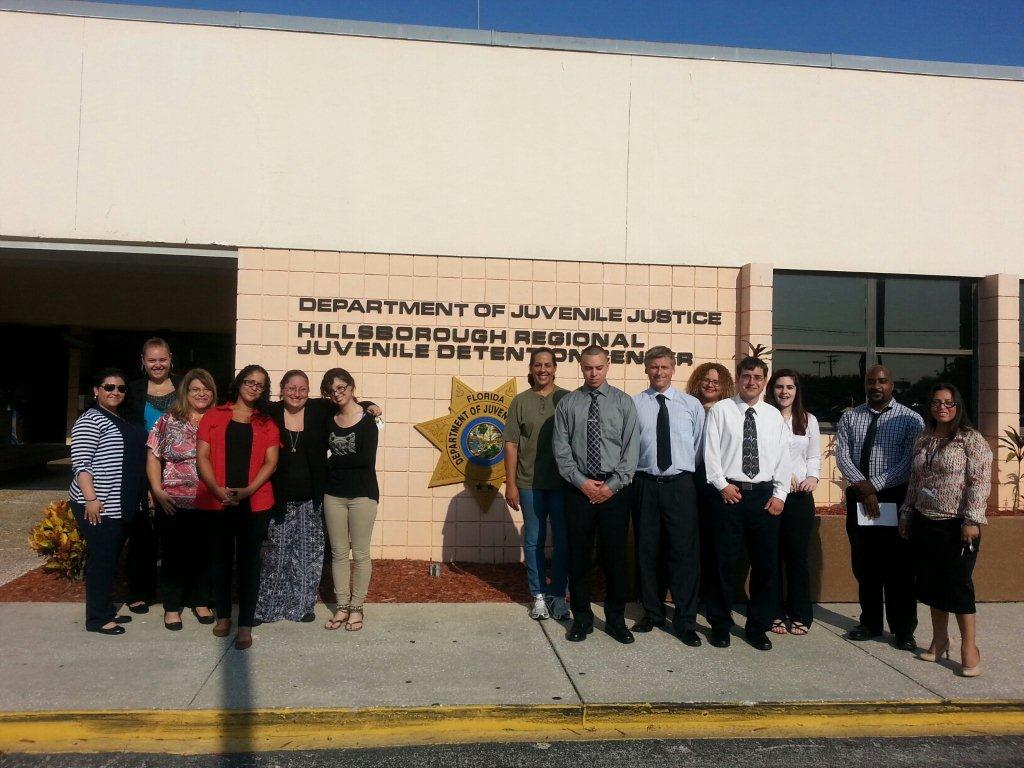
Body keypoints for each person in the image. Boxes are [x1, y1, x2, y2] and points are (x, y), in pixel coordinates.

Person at [255, 371, 380, 625]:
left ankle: (316, 607)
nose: (297, 394)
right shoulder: (273, 412)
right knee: (278, 556)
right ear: (282, 389)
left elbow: (351, 407)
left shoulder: (319, 410)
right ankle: (271, 607)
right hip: (295, 495)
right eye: (291, 388)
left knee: (311, 556)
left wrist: (370, 405)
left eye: (302, 389)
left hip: (327, 495)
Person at [898, 383, 991, 677]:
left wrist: (972, 520)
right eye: (937, 403)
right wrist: (907, 513)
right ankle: (940, 640)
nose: (942, 408)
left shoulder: (970, 440)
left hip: (958, 525)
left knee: (958, 585)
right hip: (926, 522)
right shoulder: (924, 438)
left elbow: (980, 481)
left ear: (958, 406)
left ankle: (969, 647)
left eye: (949, 403)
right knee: (931, 585)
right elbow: (914, 481)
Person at [552, 345, 639, 644]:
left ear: (608, 365)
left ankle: (616, 620)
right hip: (578, 491)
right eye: (588, 367)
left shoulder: (624, 403)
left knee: (615, 557)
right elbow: (561, 452)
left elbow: (631, 452)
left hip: (615, 492)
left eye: (598, 367)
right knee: (579, 558)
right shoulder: (567, 404)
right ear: (580, 367)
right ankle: (582, 619)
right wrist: (582, 483)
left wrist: (611, 487)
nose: (593, 373)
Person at [703, 356, 789, 651]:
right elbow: (710, 453)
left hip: (764, 498)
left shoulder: (773, 416)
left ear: (764, 382)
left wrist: (780, 495)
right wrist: (722, 485)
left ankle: (758, 627)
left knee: (765, 566)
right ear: (738, 379)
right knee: (722, 564)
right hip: (728, 495)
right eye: (746, 376)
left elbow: (783, 459)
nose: (751, 382)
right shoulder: (721, 411)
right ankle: (720, 625)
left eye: (757, 377)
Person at [835, 364, 924, 651]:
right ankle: (871, 622)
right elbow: (842, 455)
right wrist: (862, 487)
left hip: (895, 498)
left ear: (892, 385)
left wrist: (874, 486)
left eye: (882, 381)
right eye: (871, 381)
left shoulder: (911, 420)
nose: (876, 386)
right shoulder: (851, 417)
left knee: (899, 568)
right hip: (859, 499)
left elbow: (908, 463)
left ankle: (902, 630)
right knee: (865, 564)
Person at [196, 365, 280, 650]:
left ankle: (245, 623)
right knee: (220, 561)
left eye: (259, 384)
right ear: (239, 383)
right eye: (249, 381)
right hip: (218, 500)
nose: (253, 387)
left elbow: (271, 462)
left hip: (254, 503)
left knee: (249, 564)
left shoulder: (266, 422)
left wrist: (247, 490)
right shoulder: (214, 415)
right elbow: (202, 456)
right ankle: (223, 616)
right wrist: (216, 489)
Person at [630, 347, 705, 647]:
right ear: (646, 370)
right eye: (653, 367)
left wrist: (683, 476)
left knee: (683, 554)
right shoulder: (634, 404)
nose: (659, 372)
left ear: (674, 369)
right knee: (647, 551)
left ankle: (685, 620)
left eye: (664, 367)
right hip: (645, 483)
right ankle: (652, 612)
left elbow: (699, 447)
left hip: (680, 485)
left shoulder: (691, 405)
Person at [69, 368, 147, 635]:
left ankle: (104, 609)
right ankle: (97, 619)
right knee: (102, 559)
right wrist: (90, 498)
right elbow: (81, 464)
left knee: (110, 558)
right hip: (98, 504)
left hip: (119, 503)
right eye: (109, 387)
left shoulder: (119, 418)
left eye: (121, 388)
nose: (115, 392)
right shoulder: (90, 420)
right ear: (96, 391)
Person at [145, 369, 218, 631]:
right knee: (174, 557)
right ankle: (172, 607)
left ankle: (200, 601)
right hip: (173, 501)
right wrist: (156, 490)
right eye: (195, 389)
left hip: (210, 501)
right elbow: (153, 455)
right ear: (185, 392)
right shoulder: (169, 420)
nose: (201, 394)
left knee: (204, 555)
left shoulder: (218, 420)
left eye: (206, 388)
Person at [503, 348, 570, 622]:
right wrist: (511, 484)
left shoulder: (566, 398)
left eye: (548, 365)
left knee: (563, 542)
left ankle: (558, 595)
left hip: (563, 483)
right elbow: (511, 443)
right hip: (530, 483)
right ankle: (539, 595)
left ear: (555, 368)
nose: (543, 370)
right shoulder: (520, 401)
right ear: (531, 369)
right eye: (537, 365)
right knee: (534, 540)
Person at [123, 338, 181, 614]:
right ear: (143, 361)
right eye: (152, 360)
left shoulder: (185, 386)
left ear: (171, 358)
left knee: (176, 537)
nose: (157, 365)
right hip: (141, 468)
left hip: (180, 470)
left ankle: (178, 591)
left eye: (162, 359)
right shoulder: (132, 390)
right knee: (142, 533)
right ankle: (140, 591)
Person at [322, 368, 381, 633]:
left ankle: (357, 608)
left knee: (360, 552)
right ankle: (342, 605)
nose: (337, 393)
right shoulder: (329, 418)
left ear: (351, 386)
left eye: (341, 387)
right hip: (333, 494)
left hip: (362, 494)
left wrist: (333, 462)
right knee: (337, 553)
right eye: (332, 390)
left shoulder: (368, 419)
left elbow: (364, 458)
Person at [765, 368, 821, 636]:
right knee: (771, 557)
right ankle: (774, 612)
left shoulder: (808, 420)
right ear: (771, 389)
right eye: (779, 387)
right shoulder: (764, 417)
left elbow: (813, 456)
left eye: (789, 387)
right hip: (771, 495)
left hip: (799, 498)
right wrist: (781, 477)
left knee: (797, 557)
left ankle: (800, 614)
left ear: (797, 391)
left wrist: (813, 478)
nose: (784, 392)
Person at [685, 362, 736, 603]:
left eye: (716, 381)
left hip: (719, 484)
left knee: (716, 543)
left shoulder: (730, 411)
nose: (710, 384)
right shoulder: (687, 407)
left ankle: (712, 596)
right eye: (706, 379)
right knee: (693, 541)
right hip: (692, 481)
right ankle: (693, 595)